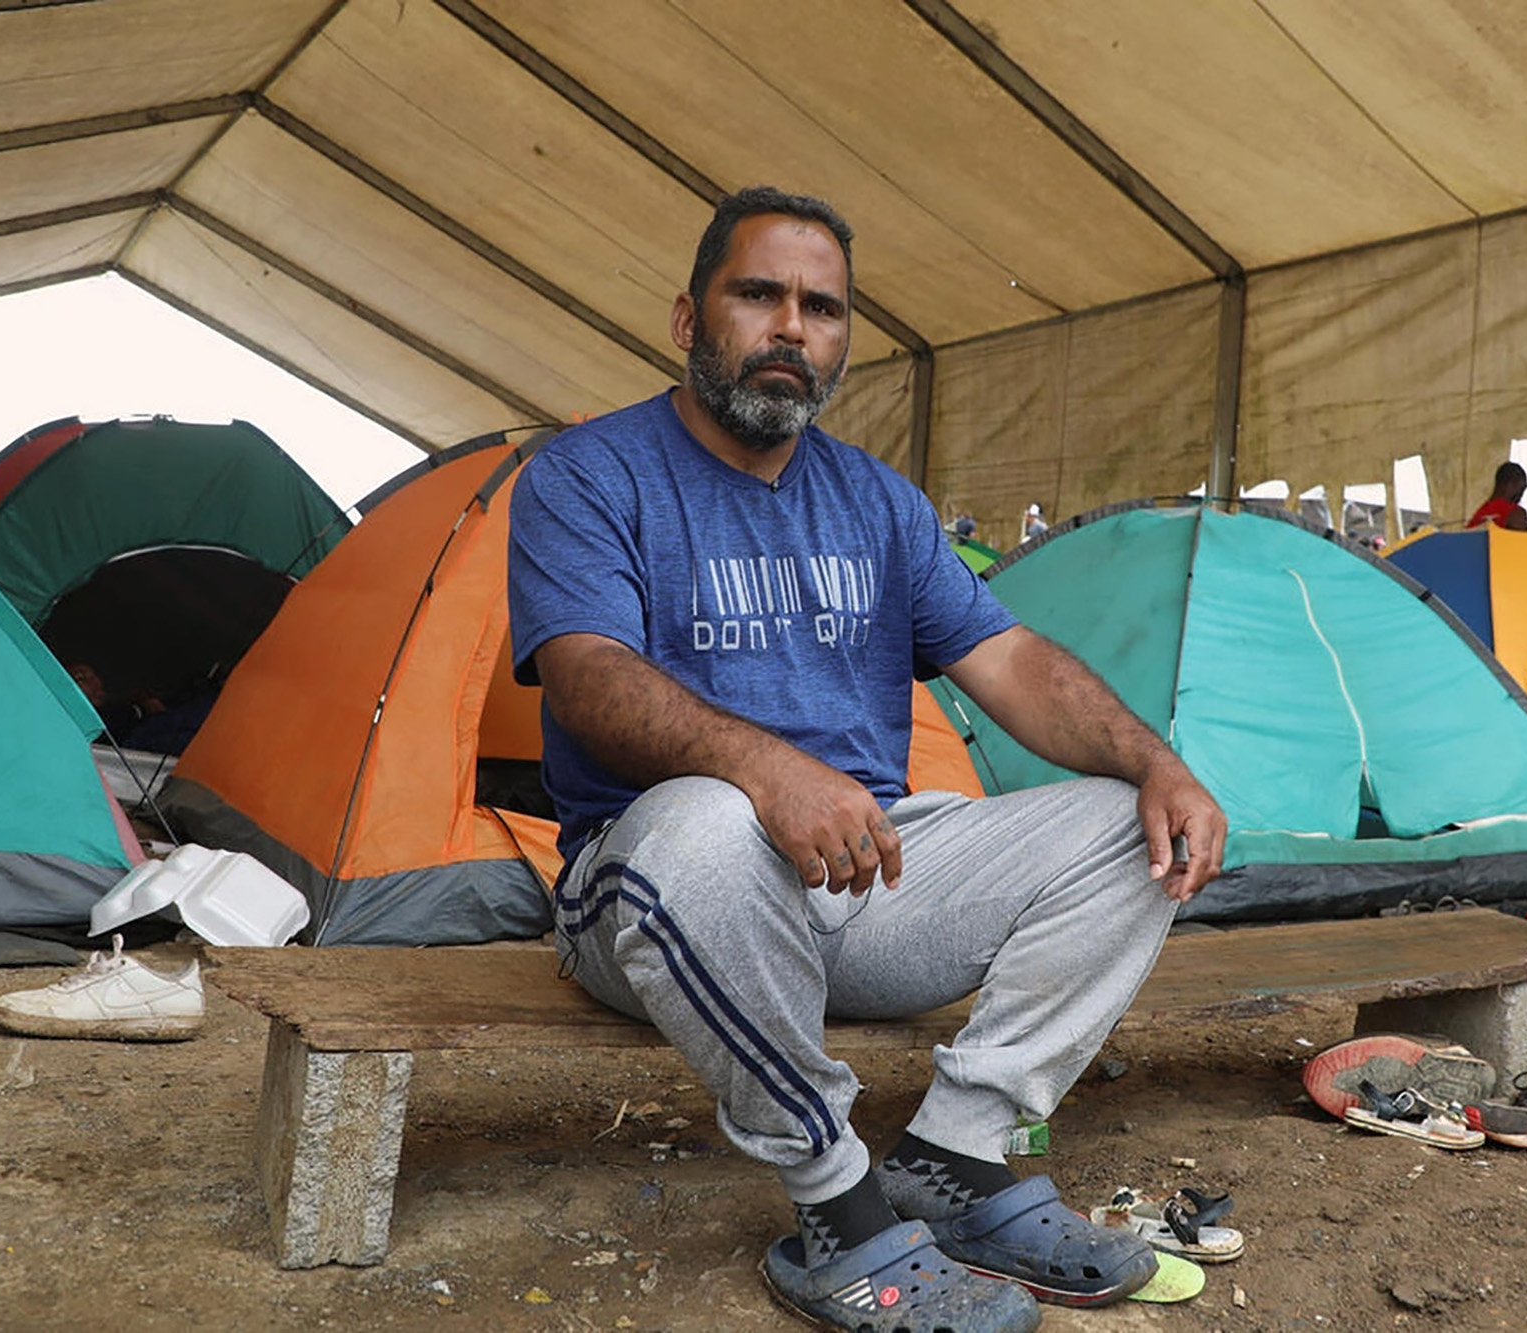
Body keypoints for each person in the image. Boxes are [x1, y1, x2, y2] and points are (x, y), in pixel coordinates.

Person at [508, 186, 1227, 1333]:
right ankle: (838, 1211)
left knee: (1126, 825)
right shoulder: (589, 475)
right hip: (656, 894)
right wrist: (765, 769)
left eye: (823, 308)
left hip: (859, 874)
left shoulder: (877, 503)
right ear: (689, 320)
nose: (792, 328)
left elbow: (1009, 658)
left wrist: (1157, 761)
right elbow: (586, 676)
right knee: (704, 821)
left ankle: (957, 1156)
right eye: (759, 295)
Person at [1466, 462, 1527, 530]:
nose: (1521, 497)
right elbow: (1524, 539)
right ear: (1511, 483)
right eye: (1522, 489)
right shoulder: (1516, 513)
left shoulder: (1479, 515)